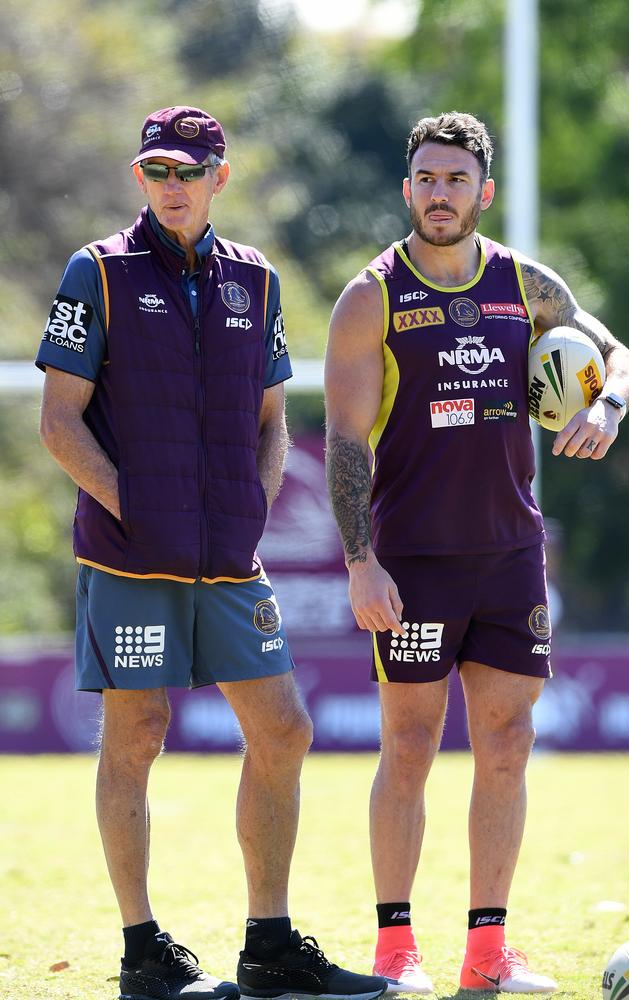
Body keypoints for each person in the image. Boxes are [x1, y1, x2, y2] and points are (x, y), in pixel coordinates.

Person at [37, 105, 387, 1000]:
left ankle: (268, 948)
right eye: (157, 171)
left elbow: (272, 424)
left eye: (188, 171)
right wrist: (139, 510)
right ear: (140, 177)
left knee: (284, 729)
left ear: (219, 177)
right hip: (128, 557)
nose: (173, 186)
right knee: (137, 736)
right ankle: (143, 955)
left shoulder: (257, 280)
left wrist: (255, 502)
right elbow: (60, 423)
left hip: (229, 557)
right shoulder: (99, 271)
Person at [324, 111, 629, 994]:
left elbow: (619, 357)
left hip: (510, 553)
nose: (439, 193)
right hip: (414, 559)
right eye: (425, 179)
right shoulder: (371, 295)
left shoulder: (523, 283)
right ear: (407, 190)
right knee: (410, 748)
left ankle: (487, 954)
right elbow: (346, 437)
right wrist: (361, 557)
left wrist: (606, 406)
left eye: (455, 180)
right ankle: (397, 955)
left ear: (483, 192)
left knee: (506, 743)